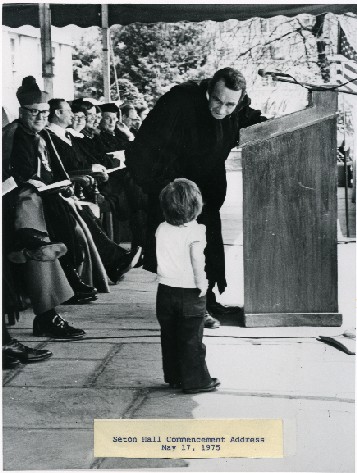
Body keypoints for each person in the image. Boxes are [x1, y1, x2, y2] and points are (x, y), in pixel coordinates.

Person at [126, 67, 267, 328]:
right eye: (217, 100)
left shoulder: (238, 106)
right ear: (209, 88)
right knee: (186, 254)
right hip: (176, 195)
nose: (222, 110)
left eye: (230, 105)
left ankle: (207, 300)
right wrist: (165, 190)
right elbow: (141, 148)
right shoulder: (179, 100)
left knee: (208, 250)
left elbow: (259, 123)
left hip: (207, 195)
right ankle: (191, 309)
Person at [2, 76, 86, 338]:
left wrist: (63, 186)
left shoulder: (44, 136)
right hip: (17, 207)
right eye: (34, 112)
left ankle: (70, 289)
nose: (40, 117)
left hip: (43, 201)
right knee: (41, 247)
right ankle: (47, 316)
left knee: (74, 224)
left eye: (44, 113)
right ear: (21, 112)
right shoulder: (11, 135)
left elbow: (56, 170)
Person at [156, 178, 220, 394]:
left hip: (164, 291)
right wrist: (202, 284)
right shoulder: (196, 231)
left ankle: (174, 377)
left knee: (170, 336)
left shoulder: (161, 229)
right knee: (192, 339)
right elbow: (196, 261)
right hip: (190, 292)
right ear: (196, 206)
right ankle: (196, 381)